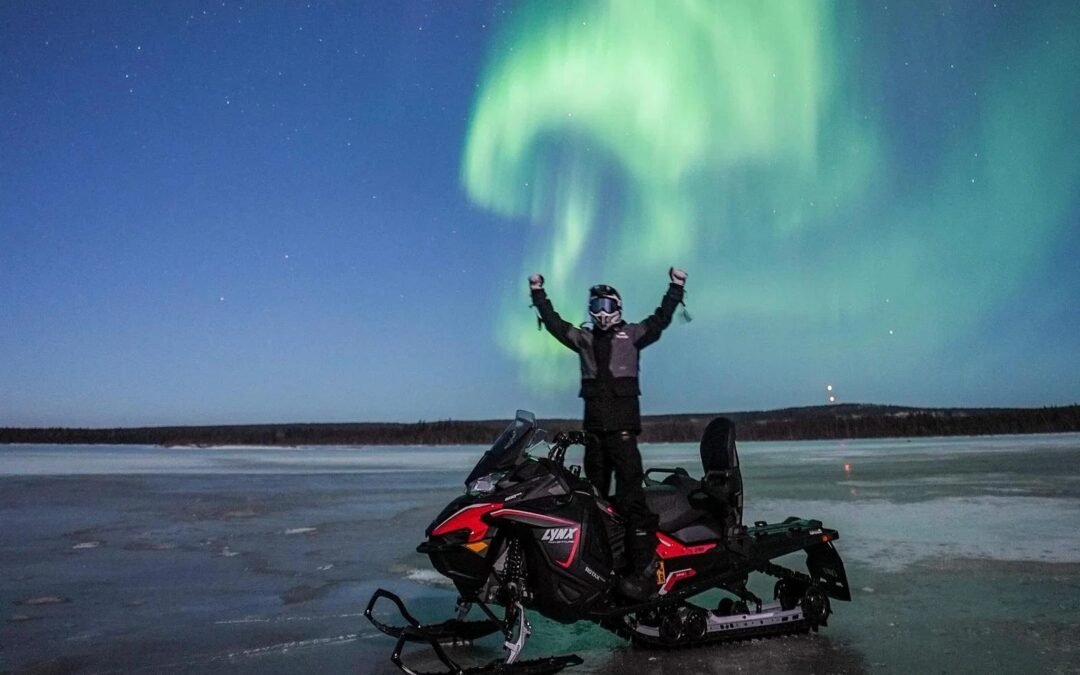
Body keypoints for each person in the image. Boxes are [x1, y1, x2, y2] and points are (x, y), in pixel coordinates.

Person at [528, 267, 687, 600]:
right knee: (594, 500)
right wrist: (538, 294)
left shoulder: (633, 335)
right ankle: (600, 566)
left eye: (607, 305)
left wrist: (675, 286)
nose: (602, 312)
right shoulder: (584, 340)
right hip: (595, 437)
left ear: (618, 307)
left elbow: (660, 320)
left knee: (631, 500)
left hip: (624, 436)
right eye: (596, 304)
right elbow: (556, 326)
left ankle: (642, 570)